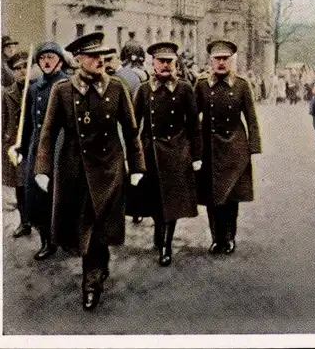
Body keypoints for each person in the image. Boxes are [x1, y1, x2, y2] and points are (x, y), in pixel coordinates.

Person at [33, 32, 146, 310]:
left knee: (100, 226)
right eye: (94, 56)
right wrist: (43, 169)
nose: (101, 60)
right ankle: (93, 277)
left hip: (110, 169)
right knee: (87, 226)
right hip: (76, 170)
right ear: (79, 59)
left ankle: (94, 275)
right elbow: (48, 133)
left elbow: (131, 132)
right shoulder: (63, 90)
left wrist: (137, 166)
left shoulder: (117, 88)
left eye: (103, 55)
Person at [131, 42, 202, 266]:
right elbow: (133, 125)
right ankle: (159, 235)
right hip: (150, 151)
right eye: (161, 61)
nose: (165, 65)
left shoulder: (184, 88)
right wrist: (133, 156)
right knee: (154, 199)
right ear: (153, 63)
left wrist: (196, 155)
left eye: (169, 61)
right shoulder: (143, 90)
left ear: (175, 63)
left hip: (176, 152)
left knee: (171, 202)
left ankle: (166, 245)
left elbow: (193, 125)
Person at [194, 39, 262, 254]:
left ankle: (230, 237)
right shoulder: (202, 85)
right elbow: (193, 117)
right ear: (211, 61)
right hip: (210, 148)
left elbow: (251, 116)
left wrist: (253, 145)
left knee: (232, 197)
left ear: (231, 61)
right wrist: (194, 147)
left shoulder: (241, 84)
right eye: (217, 59)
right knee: (212, 197)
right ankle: (216, 238)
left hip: (235, 147)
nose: (221, 63)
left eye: (225, 59)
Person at [9, 42, 69, 259]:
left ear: (60, 61)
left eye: (51, 57)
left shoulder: (68, 84)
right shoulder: (34, 88)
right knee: (38, 198)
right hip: (38, 149)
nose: (46, 61)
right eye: (42, 58)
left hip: (63, 148)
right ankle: (47, 241)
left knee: (62, 196)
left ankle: (65, 237)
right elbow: (28, 123)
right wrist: (22, 147)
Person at [2, 51, 29, 237]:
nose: (22, 71)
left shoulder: (36, 89)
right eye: (17, 68)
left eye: (25, 66)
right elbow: (3, 119)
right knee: (20, 187)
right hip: (15, 146)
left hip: (33, 144)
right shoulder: (7, 93)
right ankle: (25, 222)